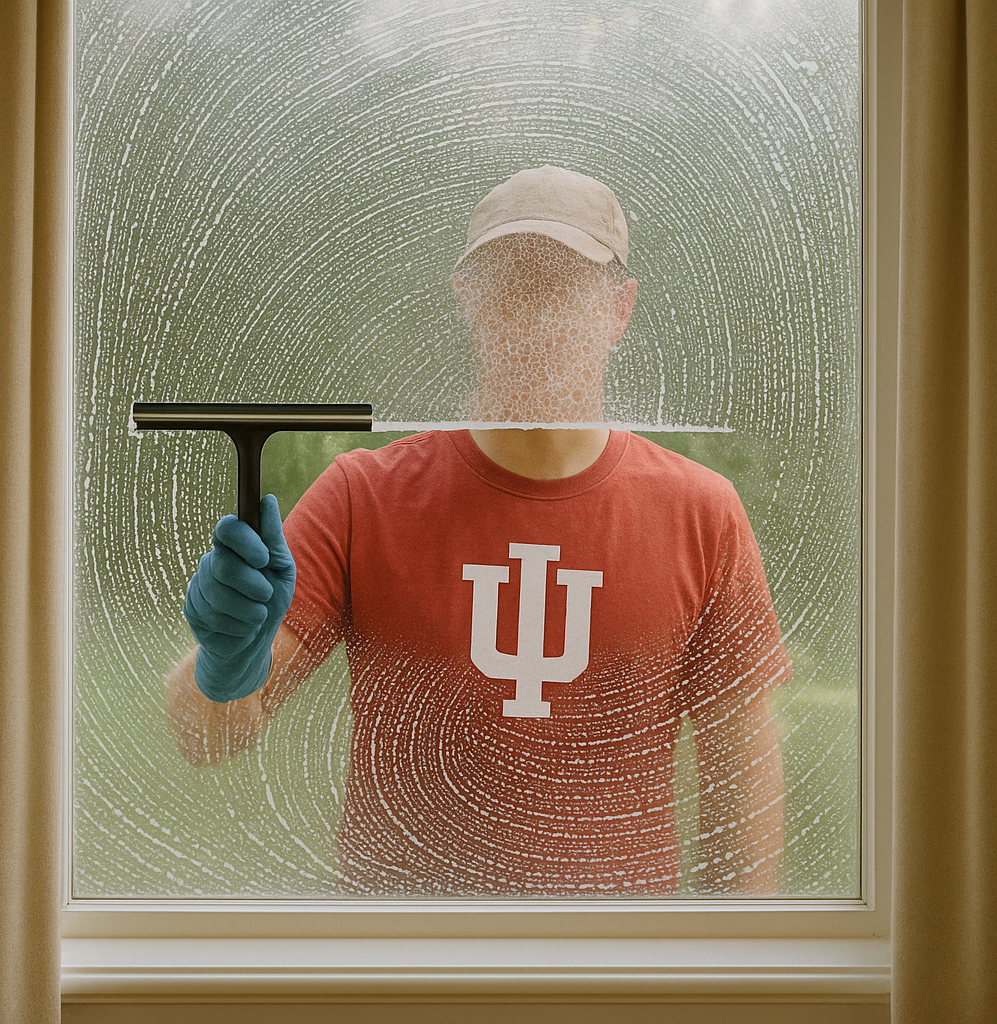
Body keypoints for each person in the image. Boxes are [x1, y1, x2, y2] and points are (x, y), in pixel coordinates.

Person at [167, 165, 791, 896]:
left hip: (621, 976)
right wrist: (222, 663)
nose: (533, 311)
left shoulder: (701, 514)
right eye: (509, 283)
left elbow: (741, 799)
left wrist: (732, 985)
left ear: (619, 310)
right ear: (469, 298)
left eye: (562, 285)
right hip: (404, 972)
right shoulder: (362, 497)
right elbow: (205, 738)